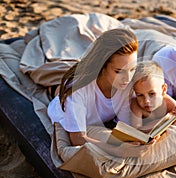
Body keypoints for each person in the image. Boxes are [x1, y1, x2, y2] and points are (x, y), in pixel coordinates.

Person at [47, 28, 151, 158]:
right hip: (67, 116)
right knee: (60, 90)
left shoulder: (127, 85)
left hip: (98, 121)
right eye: (119, 71)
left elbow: (125, 126)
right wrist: (117, 150)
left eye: (132, 69)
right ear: (102, 66)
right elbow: (77, 139)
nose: (127, 78)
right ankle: (54, 89)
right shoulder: (78, 90)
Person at [130, 60, 176, 132]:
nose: (146, 100)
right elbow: (136, 130)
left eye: (152, 94)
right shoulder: (136, 105)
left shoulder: (169, 103)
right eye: (140, 95)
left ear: (163, 90)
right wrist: (164, 121)